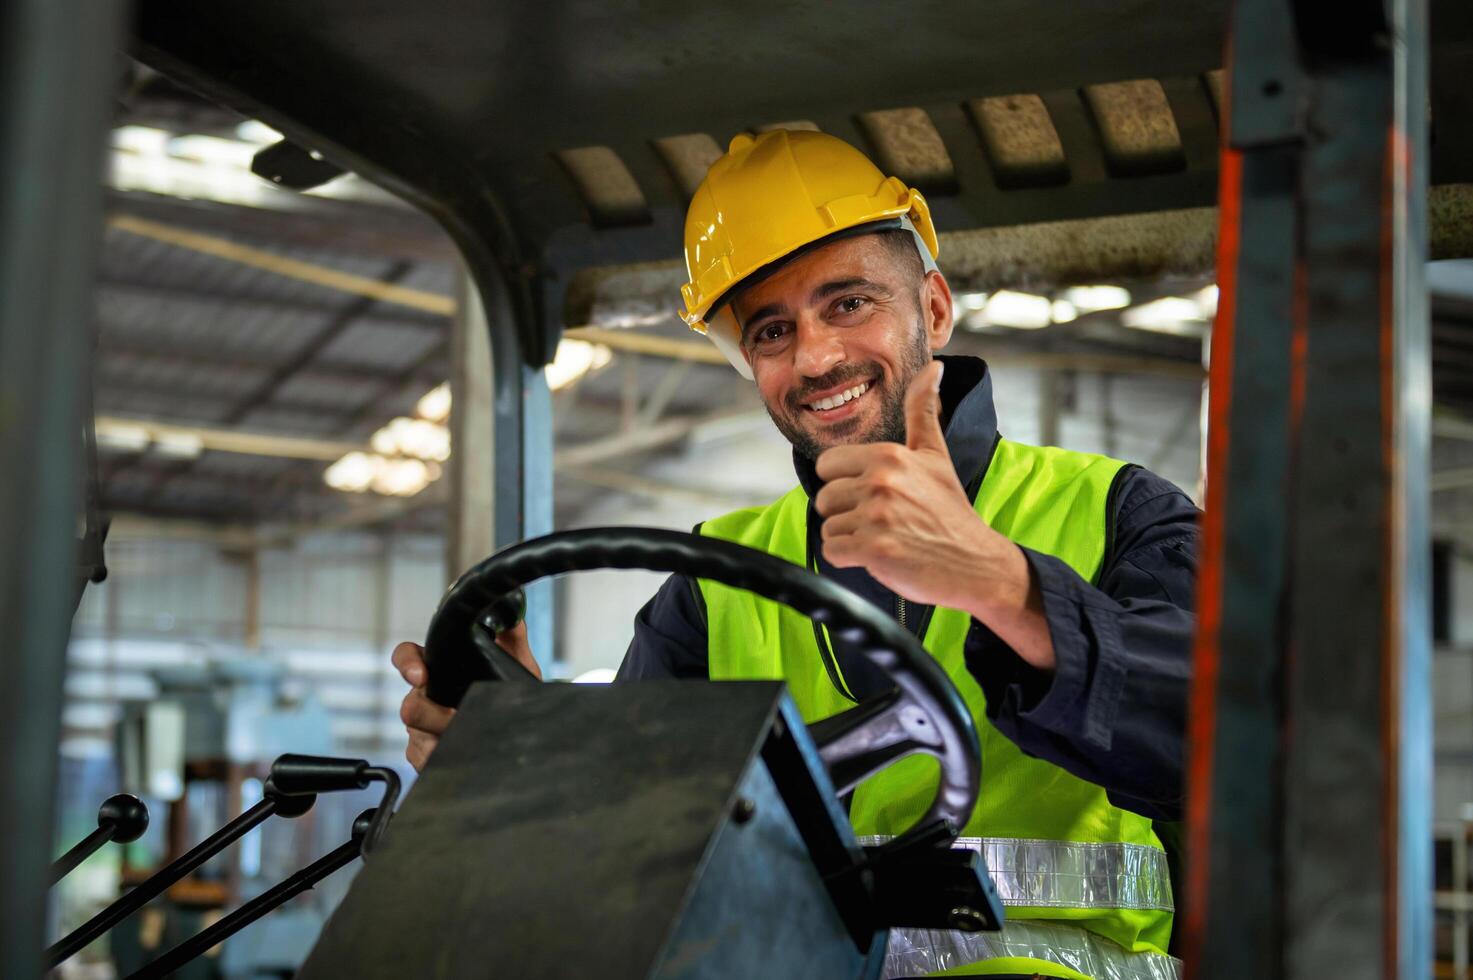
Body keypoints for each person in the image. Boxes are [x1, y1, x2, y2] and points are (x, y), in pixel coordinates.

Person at [392, 130, 1198, 980]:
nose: (814, 358)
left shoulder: (1117, 511)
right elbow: (639, 858)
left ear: (930, 309)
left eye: (848, 303)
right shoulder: (714, 579)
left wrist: (1000, 582)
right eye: (772, 331)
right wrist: (518, 766)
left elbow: (1231, 745)